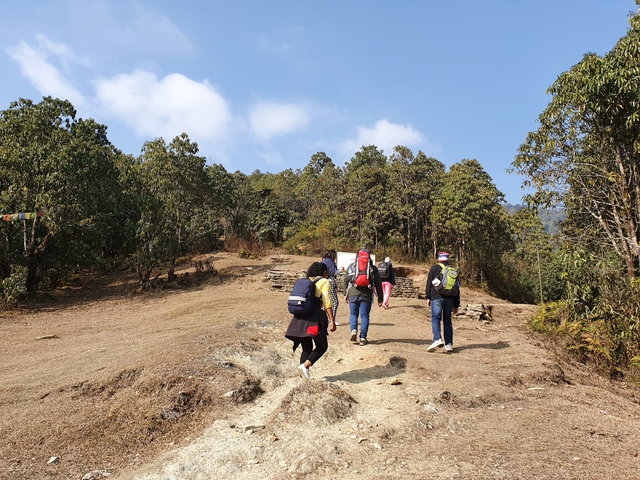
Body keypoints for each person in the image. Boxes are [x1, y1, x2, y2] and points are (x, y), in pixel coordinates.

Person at [285, 262, 337, 379]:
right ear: (324, 272)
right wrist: (332, 320)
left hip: (300, 317)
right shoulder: (324, 282)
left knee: (306, 348)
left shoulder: (306, 282)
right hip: (314, 318)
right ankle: (305, 365)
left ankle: (303, 376)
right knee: (322, 346)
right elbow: (327, 302)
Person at [343, 249, 383, 346]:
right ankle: (363, 338)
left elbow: (345, 280)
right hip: (367, 294)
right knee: (364, 316)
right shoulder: (373, 268)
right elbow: (378, 284)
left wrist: (345, 294)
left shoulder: (351, 266)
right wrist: (380, 298)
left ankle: (353, 330)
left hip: (353, 292)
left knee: (353, 313)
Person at [426, 251, 460, 353]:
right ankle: (449, 344)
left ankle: (437, 339)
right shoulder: (453, 270)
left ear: (439, 259)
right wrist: (456, 304)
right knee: (447, 321)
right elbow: (457, 288)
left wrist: (428, 297)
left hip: (437, 297)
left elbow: (429, 283)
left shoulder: (434, 268)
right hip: (450, 298)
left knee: (436, 318)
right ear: (448, 259)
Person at [321, 250, 341, 325]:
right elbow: (333, 272)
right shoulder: (331, 262)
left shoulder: (323, 261)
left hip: (323, 283)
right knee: (335, 302)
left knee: (324, 302)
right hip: (330, 283)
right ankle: (332, 319)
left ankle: (323, 318)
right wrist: (341, 270)